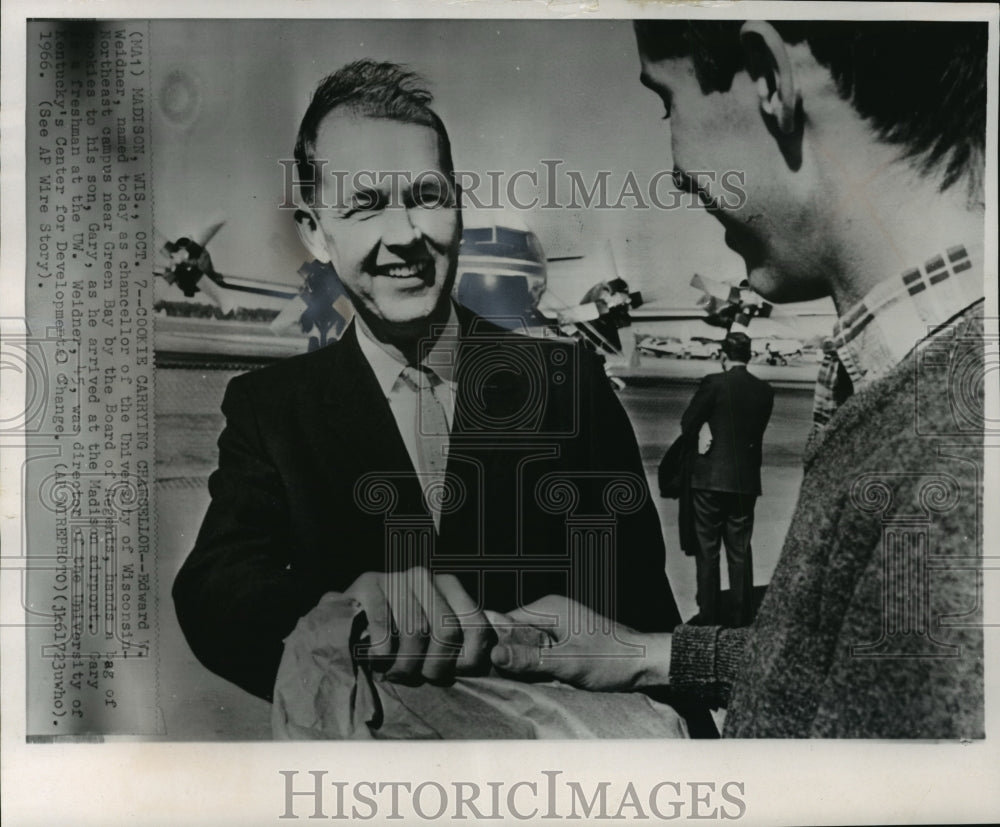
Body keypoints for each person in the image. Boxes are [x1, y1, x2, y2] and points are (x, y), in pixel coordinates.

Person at [492, 20, 986, 738]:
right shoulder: (930, 390)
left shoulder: (957, 468)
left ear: (768, 79)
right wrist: (639, 653)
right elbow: (838, 663)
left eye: (669, 101)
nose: (675, 172)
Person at [172, 60, 679, 703]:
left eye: (426, 197)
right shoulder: (269, 409)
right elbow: (215, 589)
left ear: (458, 208)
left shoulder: (566, 382)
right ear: (315, 233)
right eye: (364, 205)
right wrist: (341, 614)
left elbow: (643, 613)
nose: (404, 236)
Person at [680, 331, 773, 627]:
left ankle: (709, 614)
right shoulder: (764, 390)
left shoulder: (714, 383)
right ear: (750, 355)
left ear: (722, 355)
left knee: (708, 551)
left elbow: (688, 422)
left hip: (708, 479)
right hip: (745, 481)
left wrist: (707, 425)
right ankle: (741, 614)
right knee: (740, 550)